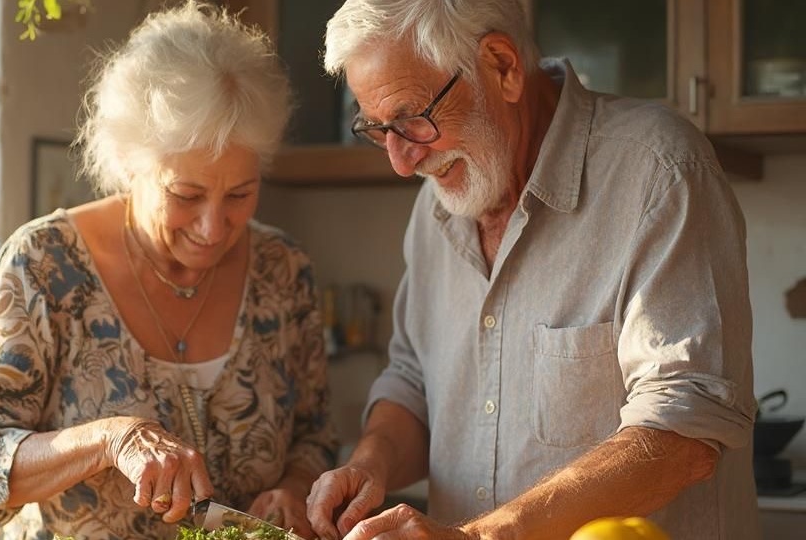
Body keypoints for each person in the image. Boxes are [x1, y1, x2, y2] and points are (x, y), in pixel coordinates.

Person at [306, 1, 757, 539]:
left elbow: (684, 432)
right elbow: (413, 382)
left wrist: (482, 535)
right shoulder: (437, 205)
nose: (401, 162)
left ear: (502, 66)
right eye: (379, 129)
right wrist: (370, 464)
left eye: (412, 119)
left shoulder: (659, 172)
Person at [0, 2, 337, 539]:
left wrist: (296, 486)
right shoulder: (45, 264)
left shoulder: (284, 272)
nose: (214, 226)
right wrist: (109, 439)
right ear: (129, 164)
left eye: (240, 194)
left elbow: (315, 435)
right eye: (186, 194)